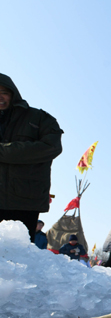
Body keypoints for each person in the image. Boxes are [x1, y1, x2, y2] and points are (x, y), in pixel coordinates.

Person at [0, 74, 63, 242]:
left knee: (18, 258)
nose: (0, 96)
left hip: (24, 200)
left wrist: (3, 152)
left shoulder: (39, 118)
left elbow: (52, 147)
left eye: (4, 92)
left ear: (13, 93)